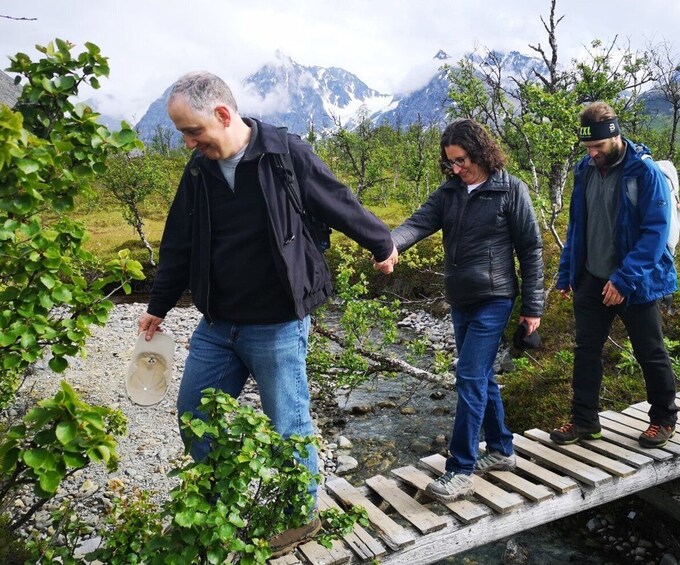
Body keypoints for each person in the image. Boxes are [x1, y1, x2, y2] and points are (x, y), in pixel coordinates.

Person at [137, 71, 398, 554]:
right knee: (196, 412)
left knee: (289, 421)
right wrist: (158, 307)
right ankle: (216, 506)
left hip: (278, 321)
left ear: (222, 114)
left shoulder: (284, 153)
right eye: (182, 135)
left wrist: (381, 242)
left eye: (192, 132)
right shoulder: (198, 172)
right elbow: (178, 241)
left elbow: (336, 198)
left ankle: (301, 515)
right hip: (217, 324)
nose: (189, 144)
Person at [389, 118, 544, 503]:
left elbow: (531, 251)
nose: (456, 169)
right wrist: (388, 247)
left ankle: (459, 469)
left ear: (479, 152)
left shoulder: (510, 190)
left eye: (461, 161)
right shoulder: (449, 193)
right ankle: (502, 449)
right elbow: (416, 225)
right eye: (450, 163)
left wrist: (533, 308)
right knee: (482, 377)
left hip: (495, 298)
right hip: (460, 299)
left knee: (470, 376)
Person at [551, 101, 679, 449]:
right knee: (586, 350)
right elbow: (577, 225)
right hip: (592, 277)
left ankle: (664, 419)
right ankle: (585, 422)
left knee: (650, 350)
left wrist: (623, 281)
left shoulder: (644, 173)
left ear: (615, 136)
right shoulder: (585, 170)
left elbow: (655, 232)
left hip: (635, 282)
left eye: (598, 147)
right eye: (587, 147)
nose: (592, 153)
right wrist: (566, 273)